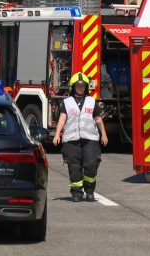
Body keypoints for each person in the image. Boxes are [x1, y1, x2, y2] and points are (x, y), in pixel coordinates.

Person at [53, 72, 108, 202]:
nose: (80, 87)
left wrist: (104, 134)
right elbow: (62, 119)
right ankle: (76, 192)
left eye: (82, 85)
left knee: (91, 164)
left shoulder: (92, 101)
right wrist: (57, 134)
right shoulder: (66, 102)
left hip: (90, 139)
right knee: (74, 167)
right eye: (78, 85)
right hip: (71, 140)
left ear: (86, 86)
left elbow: (99, 119)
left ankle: (89, 190)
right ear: (73, 87)